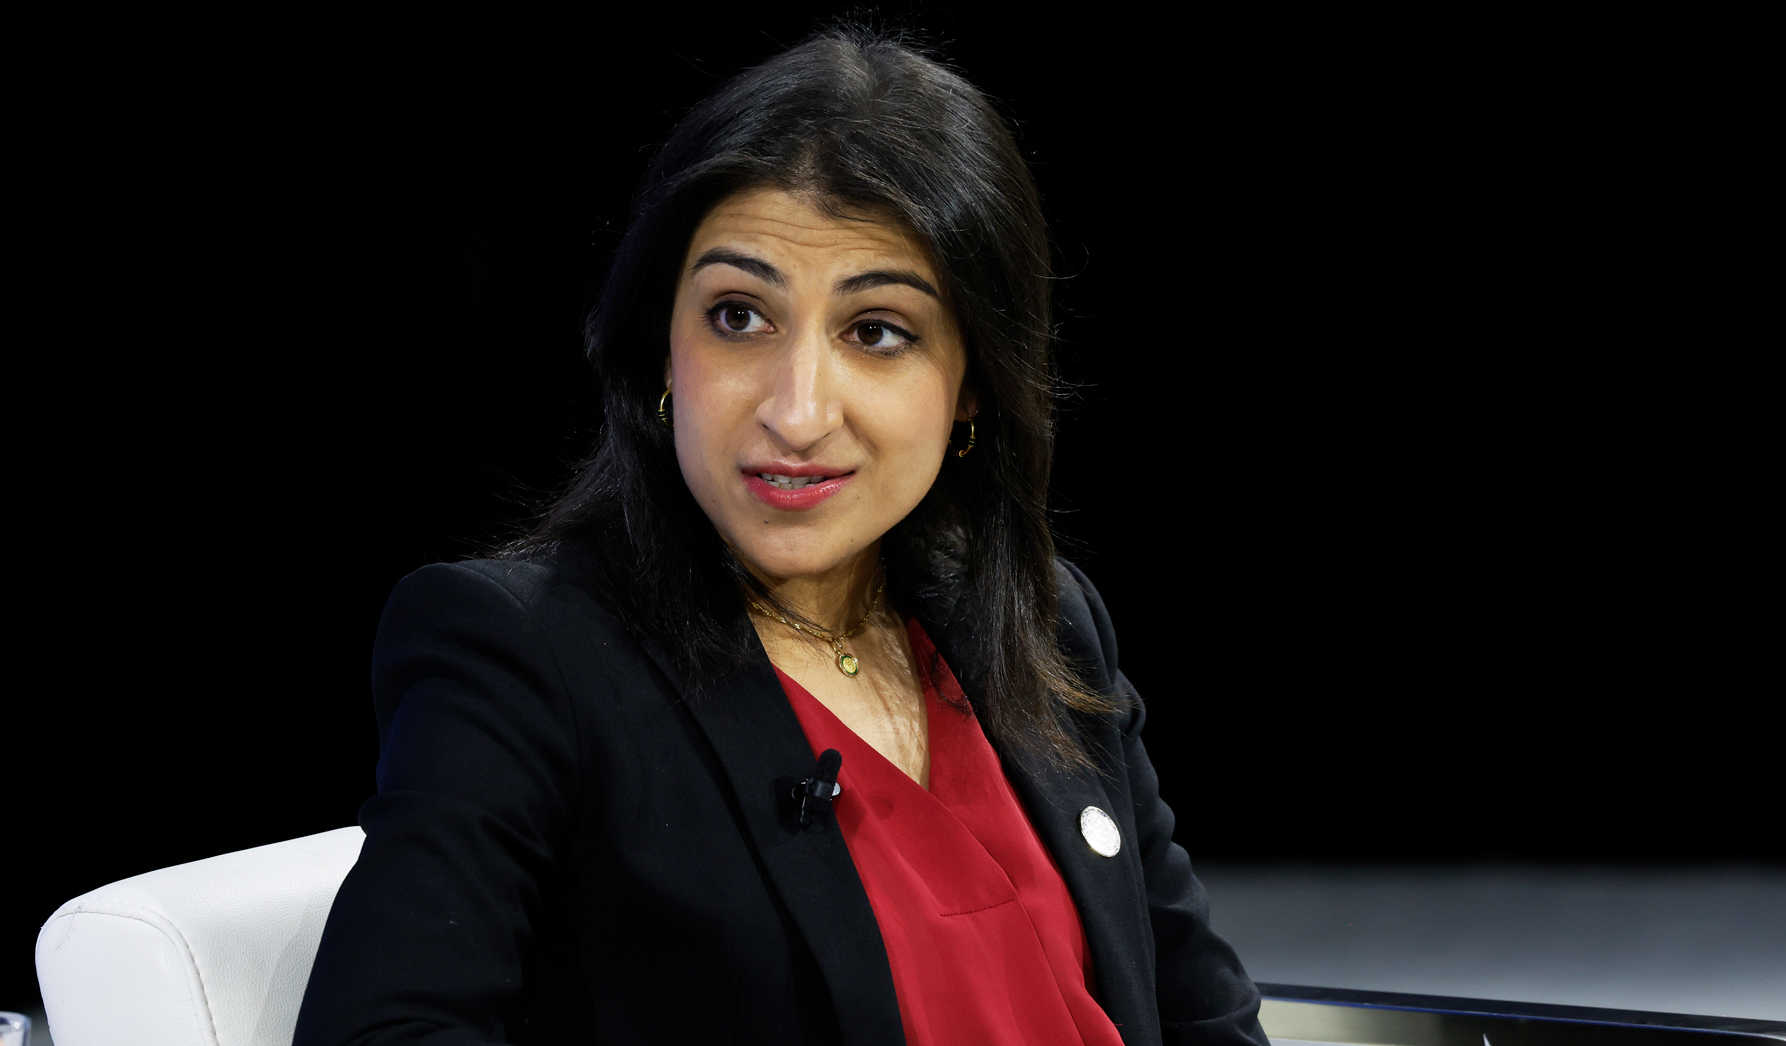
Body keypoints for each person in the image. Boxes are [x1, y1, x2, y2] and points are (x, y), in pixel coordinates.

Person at [296, 26, 1267, 1046]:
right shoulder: (522, 653)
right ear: (659, 346)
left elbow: (1205, 1016)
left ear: (973, 377)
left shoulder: (1050, 622)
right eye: (739, 316)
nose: (798, 410)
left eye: (876, 331)